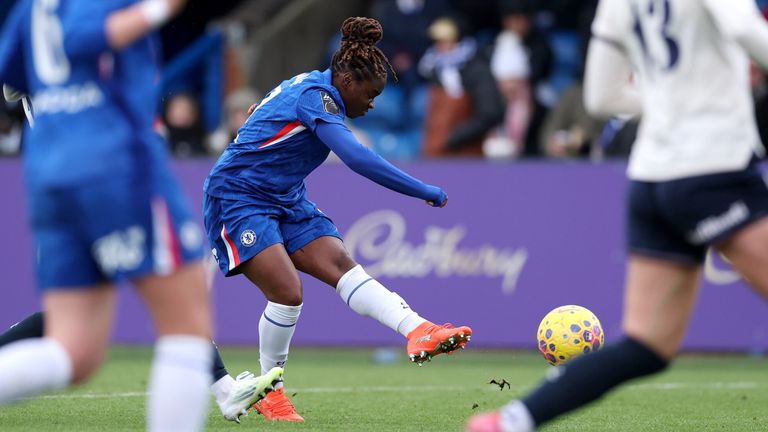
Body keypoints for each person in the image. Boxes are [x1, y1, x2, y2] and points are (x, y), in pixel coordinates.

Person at [466, 0, 768, 430]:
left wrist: (669, 106)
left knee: (648, 345)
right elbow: (744, 28)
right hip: (713, 168)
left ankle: (511, 421)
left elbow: (602, 97)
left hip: (650, 179)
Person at [0, 1, 281, 430]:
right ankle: (224, 391)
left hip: (51, 176)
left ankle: (224, 389)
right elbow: (83, 37)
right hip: (115, 168)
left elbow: (12, 76)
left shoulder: (31, 11)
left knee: (75, 351)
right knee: (184, 324)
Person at [204, 16, 473, 421]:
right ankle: (271, 392)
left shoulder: (316, 86)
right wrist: (424, 190)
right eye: (371, 93)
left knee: (340, 263)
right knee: (287, 291)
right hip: (238, 196)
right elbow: (357, 157)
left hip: (284, 196)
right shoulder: (317, 96)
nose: (373, 103)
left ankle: (418, 329)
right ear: (347, 82)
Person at [418, 16, 505, 157]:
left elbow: (490, 113)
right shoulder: (433, 70)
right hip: (437, 151)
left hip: (468, 152)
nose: (439, 46)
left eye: (446, 41)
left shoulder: (477, 70)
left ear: (459, 40)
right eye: (437, 42)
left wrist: (453, 138)